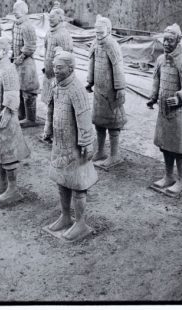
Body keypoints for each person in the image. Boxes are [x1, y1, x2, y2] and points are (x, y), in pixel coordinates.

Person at [45, 50, 98, 242]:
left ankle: (81, 222)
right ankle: (66, 216)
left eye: (59, 68)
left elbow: (84, 117)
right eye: (54, 67)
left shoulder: (77, 90)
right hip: (60, 143)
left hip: (75, 146)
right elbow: (51, 109)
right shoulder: (57, 85)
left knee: (78, 185)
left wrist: (86, 143)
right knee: (62, 180)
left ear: (70, 68)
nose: (55, 70)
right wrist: (48, 129)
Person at [146, 24, 182, 196]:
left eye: (170, 40)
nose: (166, 43)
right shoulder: (161, 60)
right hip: (164, 111)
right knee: (166, 145)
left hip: (179, 113)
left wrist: (179, 97)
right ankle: (168, 176)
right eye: (164, 40)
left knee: (180, 148)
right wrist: (153, 98)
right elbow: (156, 82)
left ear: (178, 40)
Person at [0, 36, 31, 204]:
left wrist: (8, 111)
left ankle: (12, 189)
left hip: (5, 120)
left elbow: (12, 94)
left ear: (3, 51)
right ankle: (2, 183)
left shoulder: (8, 70)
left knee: (8, 154)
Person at [86, 15, 127, 169]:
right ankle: (101, 151)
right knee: (99, 122)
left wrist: (120, 88)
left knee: (113, 124)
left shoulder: (113, 46)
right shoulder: (95, 44)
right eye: (96, 32)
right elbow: (91, 62)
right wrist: (90, 81)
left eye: (100, 33)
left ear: (108, 31)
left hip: (111, 92)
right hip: (98, 90)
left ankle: (115, 155)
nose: (98, 35)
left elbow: (118, 68)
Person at [40, 4, 73, 143]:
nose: (51, 19)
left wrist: (61, 76)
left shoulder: (63, 34)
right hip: (49, 75)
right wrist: (46, 67)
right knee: (50, 105)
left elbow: (67, 56)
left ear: (60, 18)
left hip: (59, 77)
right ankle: (48, 132)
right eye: (50, 17)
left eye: (53, 17)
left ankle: (58, 135)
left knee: (60, 108)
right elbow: (47, 50)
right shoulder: (49, 33)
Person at [11, 0, 40, 127]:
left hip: (27, 63)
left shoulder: (27, 26)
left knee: (28, 90)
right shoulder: (16, 24)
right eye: (14, 10)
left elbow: (31, 46)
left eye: (17, 10)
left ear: (24, 11)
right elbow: (14, 43)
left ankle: (31, 118)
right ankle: (22, 114)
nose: (14, 12)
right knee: (19, 89)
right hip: (18, 62)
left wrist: (21, 57)